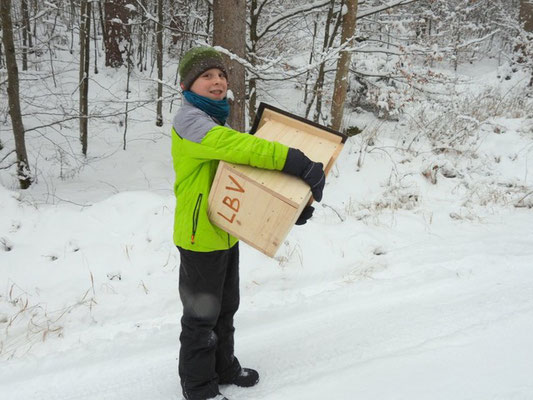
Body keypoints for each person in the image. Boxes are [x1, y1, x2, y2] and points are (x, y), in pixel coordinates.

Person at [171, 46, 325, 400]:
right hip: (199, 238)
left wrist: (290, 204)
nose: (217, 81)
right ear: (187, 86)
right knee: (200, 319)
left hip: (225, 230)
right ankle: (198, 388)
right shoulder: (190, 121)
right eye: (207, 76)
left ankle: (223, 367)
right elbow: (241, 149)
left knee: (226, 307)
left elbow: (241, 174)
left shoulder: (213, 120)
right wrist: (296, 160)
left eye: (221, 75)